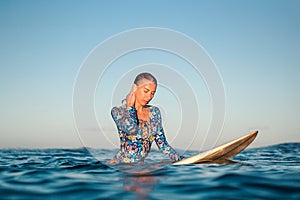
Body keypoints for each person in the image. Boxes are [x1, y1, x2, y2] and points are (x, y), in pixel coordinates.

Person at [108, 72, 184, 164]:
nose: (149, 97)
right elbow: (131, 129)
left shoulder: (154, 112)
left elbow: (162, 144)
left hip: (141, 168)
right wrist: (130, 107)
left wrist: (181, 159)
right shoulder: (118, 111)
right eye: (146, 91)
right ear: (135, 88)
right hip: (122, 166)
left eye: (153, 93)